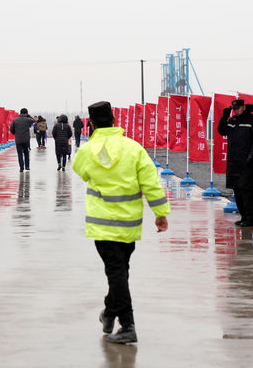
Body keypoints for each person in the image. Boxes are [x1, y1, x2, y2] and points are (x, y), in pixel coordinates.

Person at [72, 101, 170, 344]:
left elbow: (81, 172)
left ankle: (127, 325)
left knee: (116, 273)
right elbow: (151, 183)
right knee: (120, 271)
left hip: (102, 226)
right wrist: (160, 213)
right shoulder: (134, 149)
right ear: (115, 121)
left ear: (91, 124)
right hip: (128, 224)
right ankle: (109, 312)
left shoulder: (87, 151)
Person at [217, 99, 253, 227]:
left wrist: (252, 155)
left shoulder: (252, 120)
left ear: (243, 107)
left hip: (247, 163)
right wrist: (225, 116)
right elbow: (222, 131)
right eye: (234, 109)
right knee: (237, 191)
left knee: (246, 191)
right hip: (234, 163)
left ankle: (251, 218)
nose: (236, 111)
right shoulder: (232, 121)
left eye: (238, 108)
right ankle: (244, 217)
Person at [9, 108, 35, 172]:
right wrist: (28, 115)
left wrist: (15, 133)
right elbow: (33, 120)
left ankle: (21, 168)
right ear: (26, 113)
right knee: (26, 153)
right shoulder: (28, 120)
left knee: (20, 154)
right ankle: (27, 166)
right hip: (26, 140)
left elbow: (11, 129)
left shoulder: (15, 120)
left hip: (18, 139)